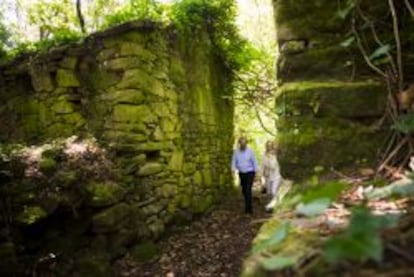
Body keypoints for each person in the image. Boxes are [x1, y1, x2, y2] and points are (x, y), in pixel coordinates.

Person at [231, 137, 259, 214]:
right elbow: (233, 161)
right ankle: (248, 201)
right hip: (241, 173)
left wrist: (257, 172)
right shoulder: (236, 152)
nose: (243, 145)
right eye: (241, 143)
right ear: (239, 143)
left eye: (244, 143)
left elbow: (255, 162)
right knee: (244, 190)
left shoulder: (250, 151)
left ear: (246, 143)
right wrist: (233, 170)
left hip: (250, 172)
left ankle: (249, 210)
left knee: (248, 190)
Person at [260, 140, 282, 212]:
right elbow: (262, 165)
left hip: (276, 175)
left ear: (272, 146)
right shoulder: (264, 154)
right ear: (266, 146)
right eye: (268, 145)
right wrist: (261, 174)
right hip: (268, 176)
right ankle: (272, 206)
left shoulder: (275, 154)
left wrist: (271, 158)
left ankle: (277, 206)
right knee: (269, 192)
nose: (269, 147)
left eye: (270, 145)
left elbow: (273, 166)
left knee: (274, 191)